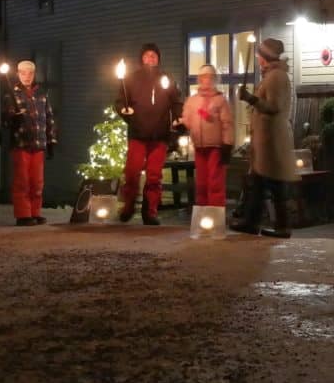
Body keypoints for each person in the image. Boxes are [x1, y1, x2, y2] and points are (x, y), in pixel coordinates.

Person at [231, 37, 298, 238]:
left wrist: (250, 98)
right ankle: (253, 222)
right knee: (259, 182)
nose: (258, 58)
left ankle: (279, 226)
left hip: (272, 139)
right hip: (267, 139)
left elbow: (274, 106)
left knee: (272, 183)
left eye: (260, 55)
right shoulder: (272, 75)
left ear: (265, 57)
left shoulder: (276, 77)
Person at [115, 43, 182, 225]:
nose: (150, 58)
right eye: (147, 55)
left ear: (158, 59)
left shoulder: (166, 78)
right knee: (131, 173)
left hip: (159, 135)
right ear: (142, 59)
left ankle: (150, 211)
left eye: (154, 56)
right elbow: (120, 101)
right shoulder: (131, 79)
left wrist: (178, 117)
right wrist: (123, 110)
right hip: (138, 133)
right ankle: (128, 206)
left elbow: (176, 101)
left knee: (154, 176)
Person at [3, 60, 57, 226]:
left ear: (34, 74)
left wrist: (51, 140)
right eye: (23, 73)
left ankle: (35, 211)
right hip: (21, 144)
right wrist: (13, 118)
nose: (27, 76)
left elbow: (49, 118)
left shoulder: (41, 94)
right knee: (23, 180)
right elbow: (6, 119)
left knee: (37, 180)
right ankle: (23, 213)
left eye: (30, 73)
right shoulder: (12, 95)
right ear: (18, 74)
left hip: (38, 143)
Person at [182, 64, 234, 209]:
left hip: (216, 146)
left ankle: (215, 212)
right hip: (199, 147)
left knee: (215, 181)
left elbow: (227, 123)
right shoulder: (192, 100)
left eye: (210, 77)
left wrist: (227, 143)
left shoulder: (219, 100)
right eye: (203, 77)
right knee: (202, 182)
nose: (206, 80)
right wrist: (181, 124)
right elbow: (187, 118)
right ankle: (203, 213)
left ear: (215, 79)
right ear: (199, 79)